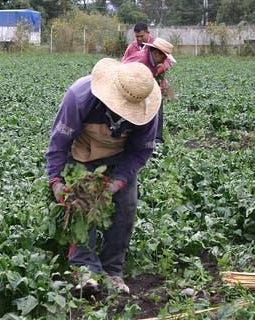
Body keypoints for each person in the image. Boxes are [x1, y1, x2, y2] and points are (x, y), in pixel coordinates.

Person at [45, 58, 161, 295]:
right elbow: (59, 142)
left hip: (120, 157)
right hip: (82, 153)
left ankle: (112, 270)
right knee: (82, 206)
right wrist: (56, 181)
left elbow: (140, 153)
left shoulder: (148, 110)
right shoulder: (79, 97)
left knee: (125, 210)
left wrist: (114, 183)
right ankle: (84, 268)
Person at [122, 37, 176, 144]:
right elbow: (124, 76)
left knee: (157, 103)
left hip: (139, 88)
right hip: (126, 88)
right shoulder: (140, 61)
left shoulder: (152, 60)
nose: (164, 60)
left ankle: (156, 138)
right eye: (164, 57)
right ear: (156, 54)